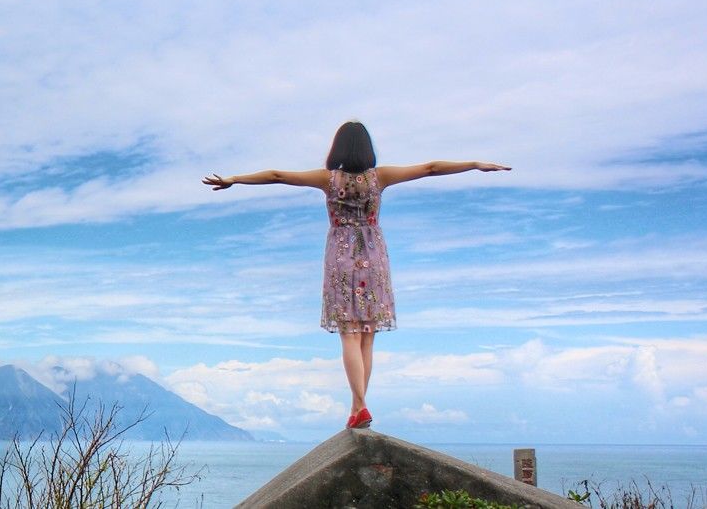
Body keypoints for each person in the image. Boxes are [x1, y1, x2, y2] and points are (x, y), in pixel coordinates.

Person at [202, 120, 511, 430]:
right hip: (373, 257)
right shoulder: (380, 177)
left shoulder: (329, 180)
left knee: (349, 334)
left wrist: (235, 180)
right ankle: (357, 406)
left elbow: (278, 176)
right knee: (367, 337)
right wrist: (473, 164)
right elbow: (430, 168)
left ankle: (359, 405)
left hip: (341, 258)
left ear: (337, 147)